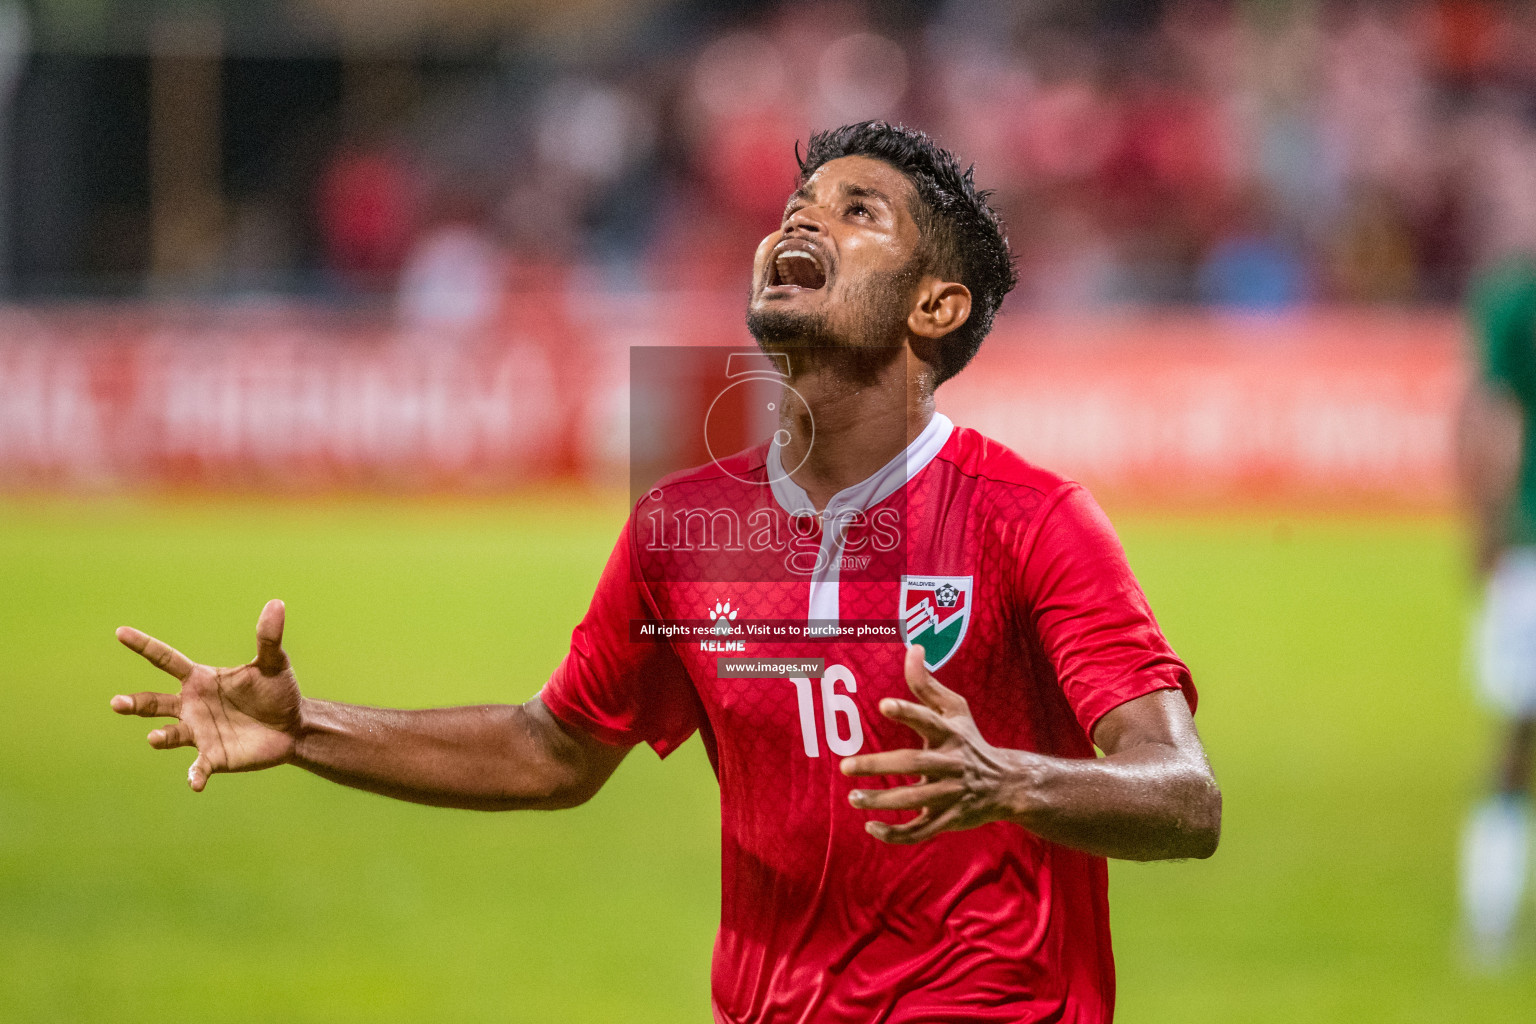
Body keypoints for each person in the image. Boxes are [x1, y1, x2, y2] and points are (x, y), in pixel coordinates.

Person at [112, 122, 1221, 1022]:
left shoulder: (1033, 520)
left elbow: (1184, 793)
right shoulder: (684, 528)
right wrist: (308, 731)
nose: (803, 220)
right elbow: (555, 750)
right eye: (798, 207)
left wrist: (1011, 781)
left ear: (937, 307)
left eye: (857, 212)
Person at [1457, 255, 1536, 965]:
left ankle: (1489, 921)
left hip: (1531, 558)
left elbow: (1495, 417)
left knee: (1515, 745)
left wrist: (1483, 526)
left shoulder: (1517, 301)